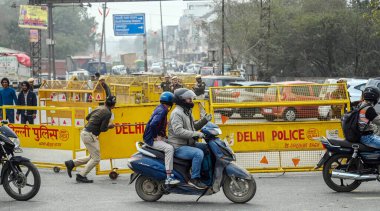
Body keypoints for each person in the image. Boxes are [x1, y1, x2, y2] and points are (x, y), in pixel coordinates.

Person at [64, 96, 116, 183]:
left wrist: (96, 122)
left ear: (105, 102)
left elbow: (87, 118)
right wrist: (109, 126)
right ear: (113, 106)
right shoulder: (107, 113)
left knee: (92, 157)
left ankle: (72, 163)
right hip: (90, 135)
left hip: (85, 132)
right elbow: (103, 128)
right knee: (96, 159)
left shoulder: (99, 108)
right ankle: (81, 175)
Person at [167, 88, 212, 189]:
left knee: (207, 148)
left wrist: (204, 120)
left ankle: (205, 173)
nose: (191, 101)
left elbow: (193, 127)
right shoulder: (177, 113)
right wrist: (196, 134)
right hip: (178, 146)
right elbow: (178, 131)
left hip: (188, 143)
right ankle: (194, 179)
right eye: (189, 99)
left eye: (191, 99)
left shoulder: (187, 111)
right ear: (181, 100)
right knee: (198, 153)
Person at [143, 92, 180, 185]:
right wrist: (155, 136)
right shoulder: (163, 110)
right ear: (170, 102)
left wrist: (162, 135)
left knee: (173, 143)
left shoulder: (160, 108)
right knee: (169, 149)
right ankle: (169, 177)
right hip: (150, 139)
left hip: (151, 137)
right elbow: (153, 124)